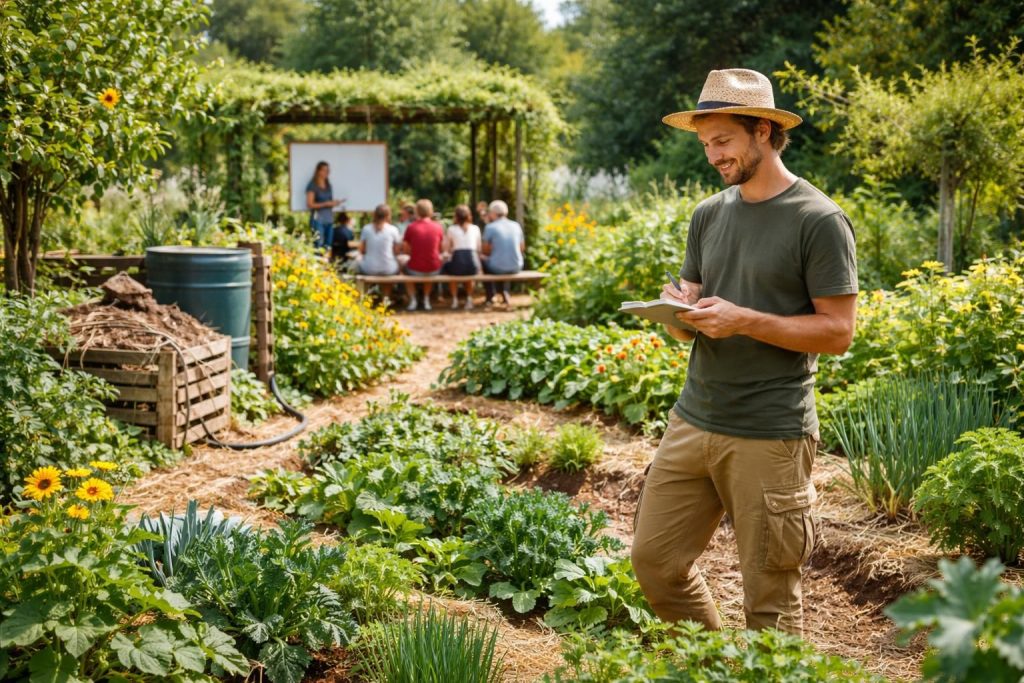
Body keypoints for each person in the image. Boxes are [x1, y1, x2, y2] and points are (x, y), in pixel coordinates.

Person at [630, 68, 858, 637]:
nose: (712, 155)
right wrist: (682, 316)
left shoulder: (819, 220)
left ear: (762, 129)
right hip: (694, 417)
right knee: (655, 563)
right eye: (706, 144)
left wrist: (744, 321)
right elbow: (697, 322)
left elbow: (837, 333)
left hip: (769, 430)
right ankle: (714, 665)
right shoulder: (709, 213)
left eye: (723, 141)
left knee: (770, 602)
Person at [401, 198, 444, 311]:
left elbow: (405, 249)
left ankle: (413, 299)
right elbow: (440, 248)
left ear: (417, 211)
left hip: (414, 269)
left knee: (403, 269)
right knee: (430, 266)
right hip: (434, 268)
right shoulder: (438, 227)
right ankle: (426, 299)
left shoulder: (411, 227)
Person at [481, 199, 524, 307]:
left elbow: (485, 250)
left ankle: (490, 295)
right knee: (502, 260)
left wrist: (495, 250)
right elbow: (522, 248)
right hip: (516, 267)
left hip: (497, 268)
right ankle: (504, 293)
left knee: (484, 260)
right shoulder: (516, 225)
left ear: (492, 213)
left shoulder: (490, 227)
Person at [358, 204, 401, 303]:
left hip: (369, 269)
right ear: (388, 216)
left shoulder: (366, 229)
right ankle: (385, 299)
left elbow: (361, 250)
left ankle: (365, 298)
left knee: (359, 263)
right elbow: (397, 251)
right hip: (388, 269)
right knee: (393, 265)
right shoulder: (393, 230)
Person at [442, 204, 482, 310]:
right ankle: (469, 298)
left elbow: (447, 249)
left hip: (458, 263)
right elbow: (478, 249)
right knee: (469, 274)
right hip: (472, 265)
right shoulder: (476, 228)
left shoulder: (451, 229)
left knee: (451, 273)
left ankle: (454, 299)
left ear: (456, 216)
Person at [305, 161, 343, 252]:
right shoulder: (312, 186)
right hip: (318, 220)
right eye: (325, 170)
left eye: (328, 170)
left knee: (328, 247)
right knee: (318, 247)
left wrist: (334, 203)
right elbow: (310, 204)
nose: (327, 172)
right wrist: (326, 204)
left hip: (329, 219)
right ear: (318, 171)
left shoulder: (328, 185)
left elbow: (329, 201)